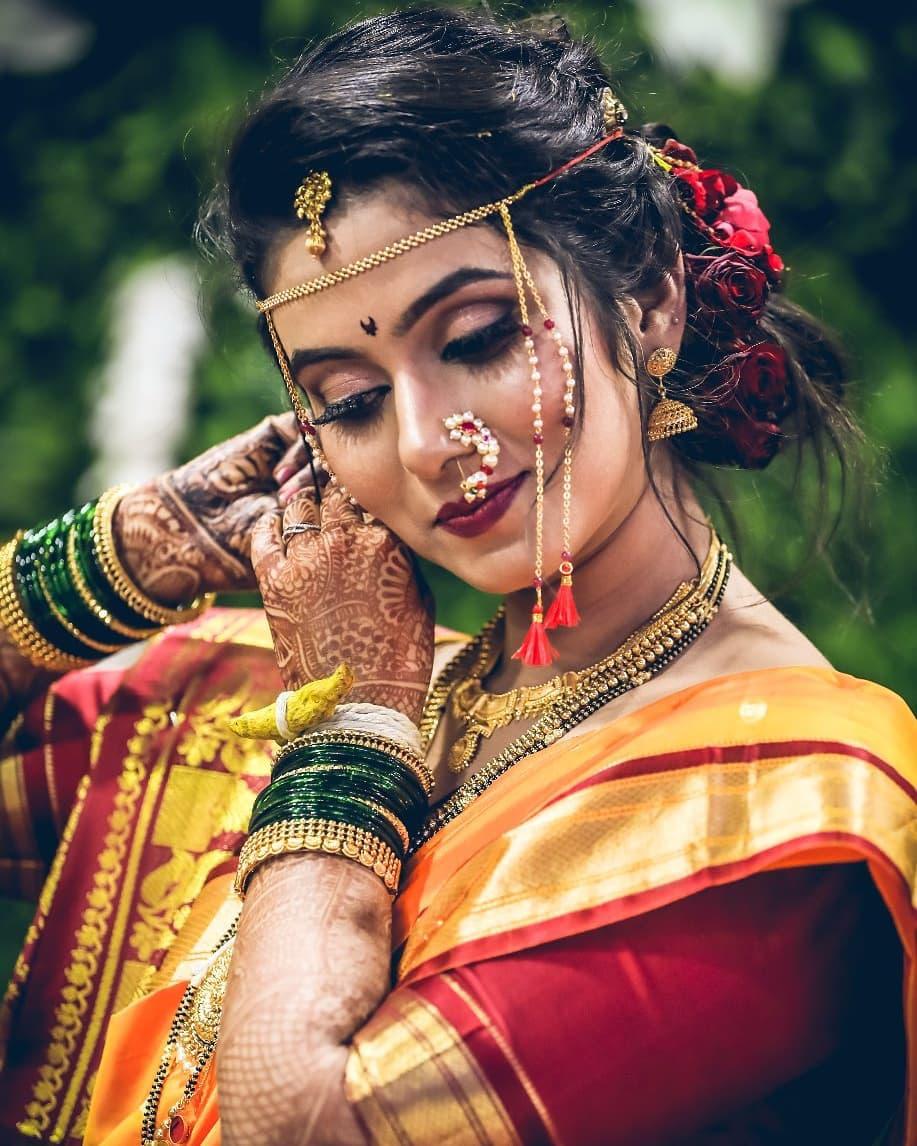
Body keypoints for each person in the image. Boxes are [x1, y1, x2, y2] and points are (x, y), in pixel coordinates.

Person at [0, 7, 913, 1145]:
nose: (428, 441)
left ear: (652, 304)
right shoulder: (320, 696)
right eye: (350, 400)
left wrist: (352, 741)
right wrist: (142, 548)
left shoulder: (777, 804)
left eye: (479, 336)